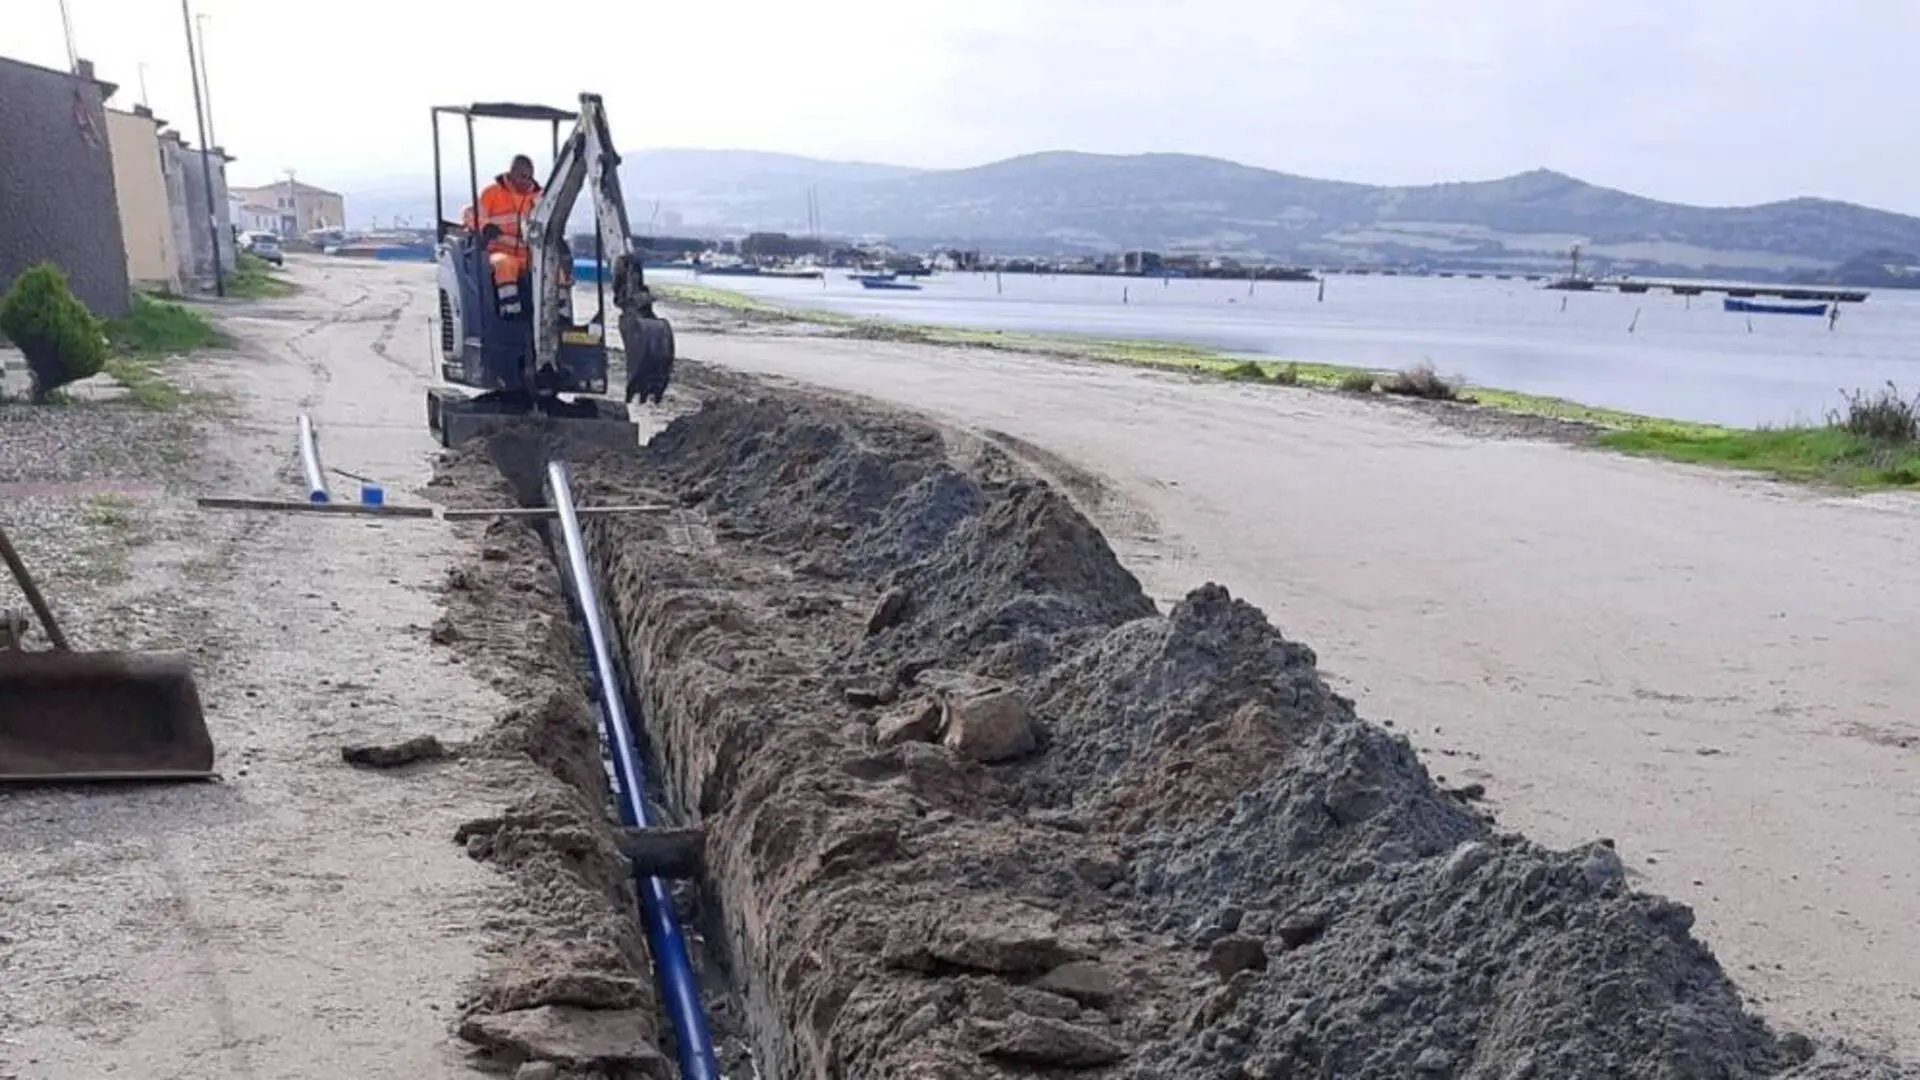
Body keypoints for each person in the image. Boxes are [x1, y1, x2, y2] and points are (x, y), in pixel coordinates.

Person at [462, 154, 542, 314]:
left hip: (530, 254)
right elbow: (472, 216)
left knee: (555, 269)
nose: (527, 181)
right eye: (523, 176)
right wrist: (486, 227)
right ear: (511, 174)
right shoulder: (491, 193)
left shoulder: (539, 198)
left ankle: (561, 314)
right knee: (504, 264)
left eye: (529, 177)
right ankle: (510, 310)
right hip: (498, 251)